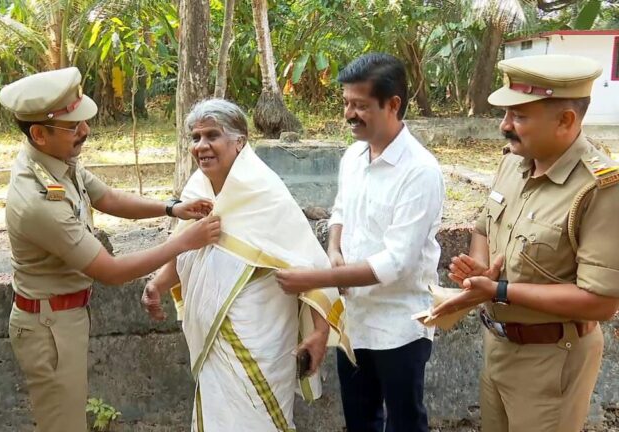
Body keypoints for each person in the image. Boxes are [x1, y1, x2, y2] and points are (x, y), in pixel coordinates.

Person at [0, 67, 221, 432]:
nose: (85, 131)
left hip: (64, 317)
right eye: (73, 126)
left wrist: (171, 207)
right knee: (62, 424)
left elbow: (108, 197)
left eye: (82, 120)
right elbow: (111, 271)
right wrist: (183, 241)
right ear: (39, 134)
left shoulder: (56, 163)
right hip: (49, 325)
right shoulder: (37, 199)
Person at [431, 55, 619, 432]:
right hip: (499, 347)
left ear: (565, 120)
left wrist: (500, 289)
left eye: (519, 116)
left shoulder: (600, 189)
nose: (505, 126)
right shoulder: (514, 164)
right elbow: (484, 226)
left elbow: (601, 302)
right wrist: (483, 269)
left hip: (552, 360)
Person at [141, 98, 354, 432]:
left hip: (262, 335)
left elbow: (308, 262)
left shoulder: (264, 192)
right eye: (196, 138)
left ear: (239, 141)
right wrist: (157, 284)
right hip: (212, 337)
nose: (202, 146)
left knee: (257, 417)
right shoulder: (196, 189)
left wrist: (319, 330)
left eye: (212, 135)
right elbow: (188, 255)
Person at [275, 53, 445, 432]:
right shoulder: (353, 156)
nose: (349, 114)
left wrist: (315, 279)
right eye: (346, 103)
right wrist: (334, 251)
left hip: (401, 324)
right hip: (355, 321)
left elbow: (396, 263)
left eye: (361, 106)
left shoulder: (420, 171)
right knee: (360, 420)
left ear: (393, 104)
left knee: (405, 422)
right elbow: (340, 212)